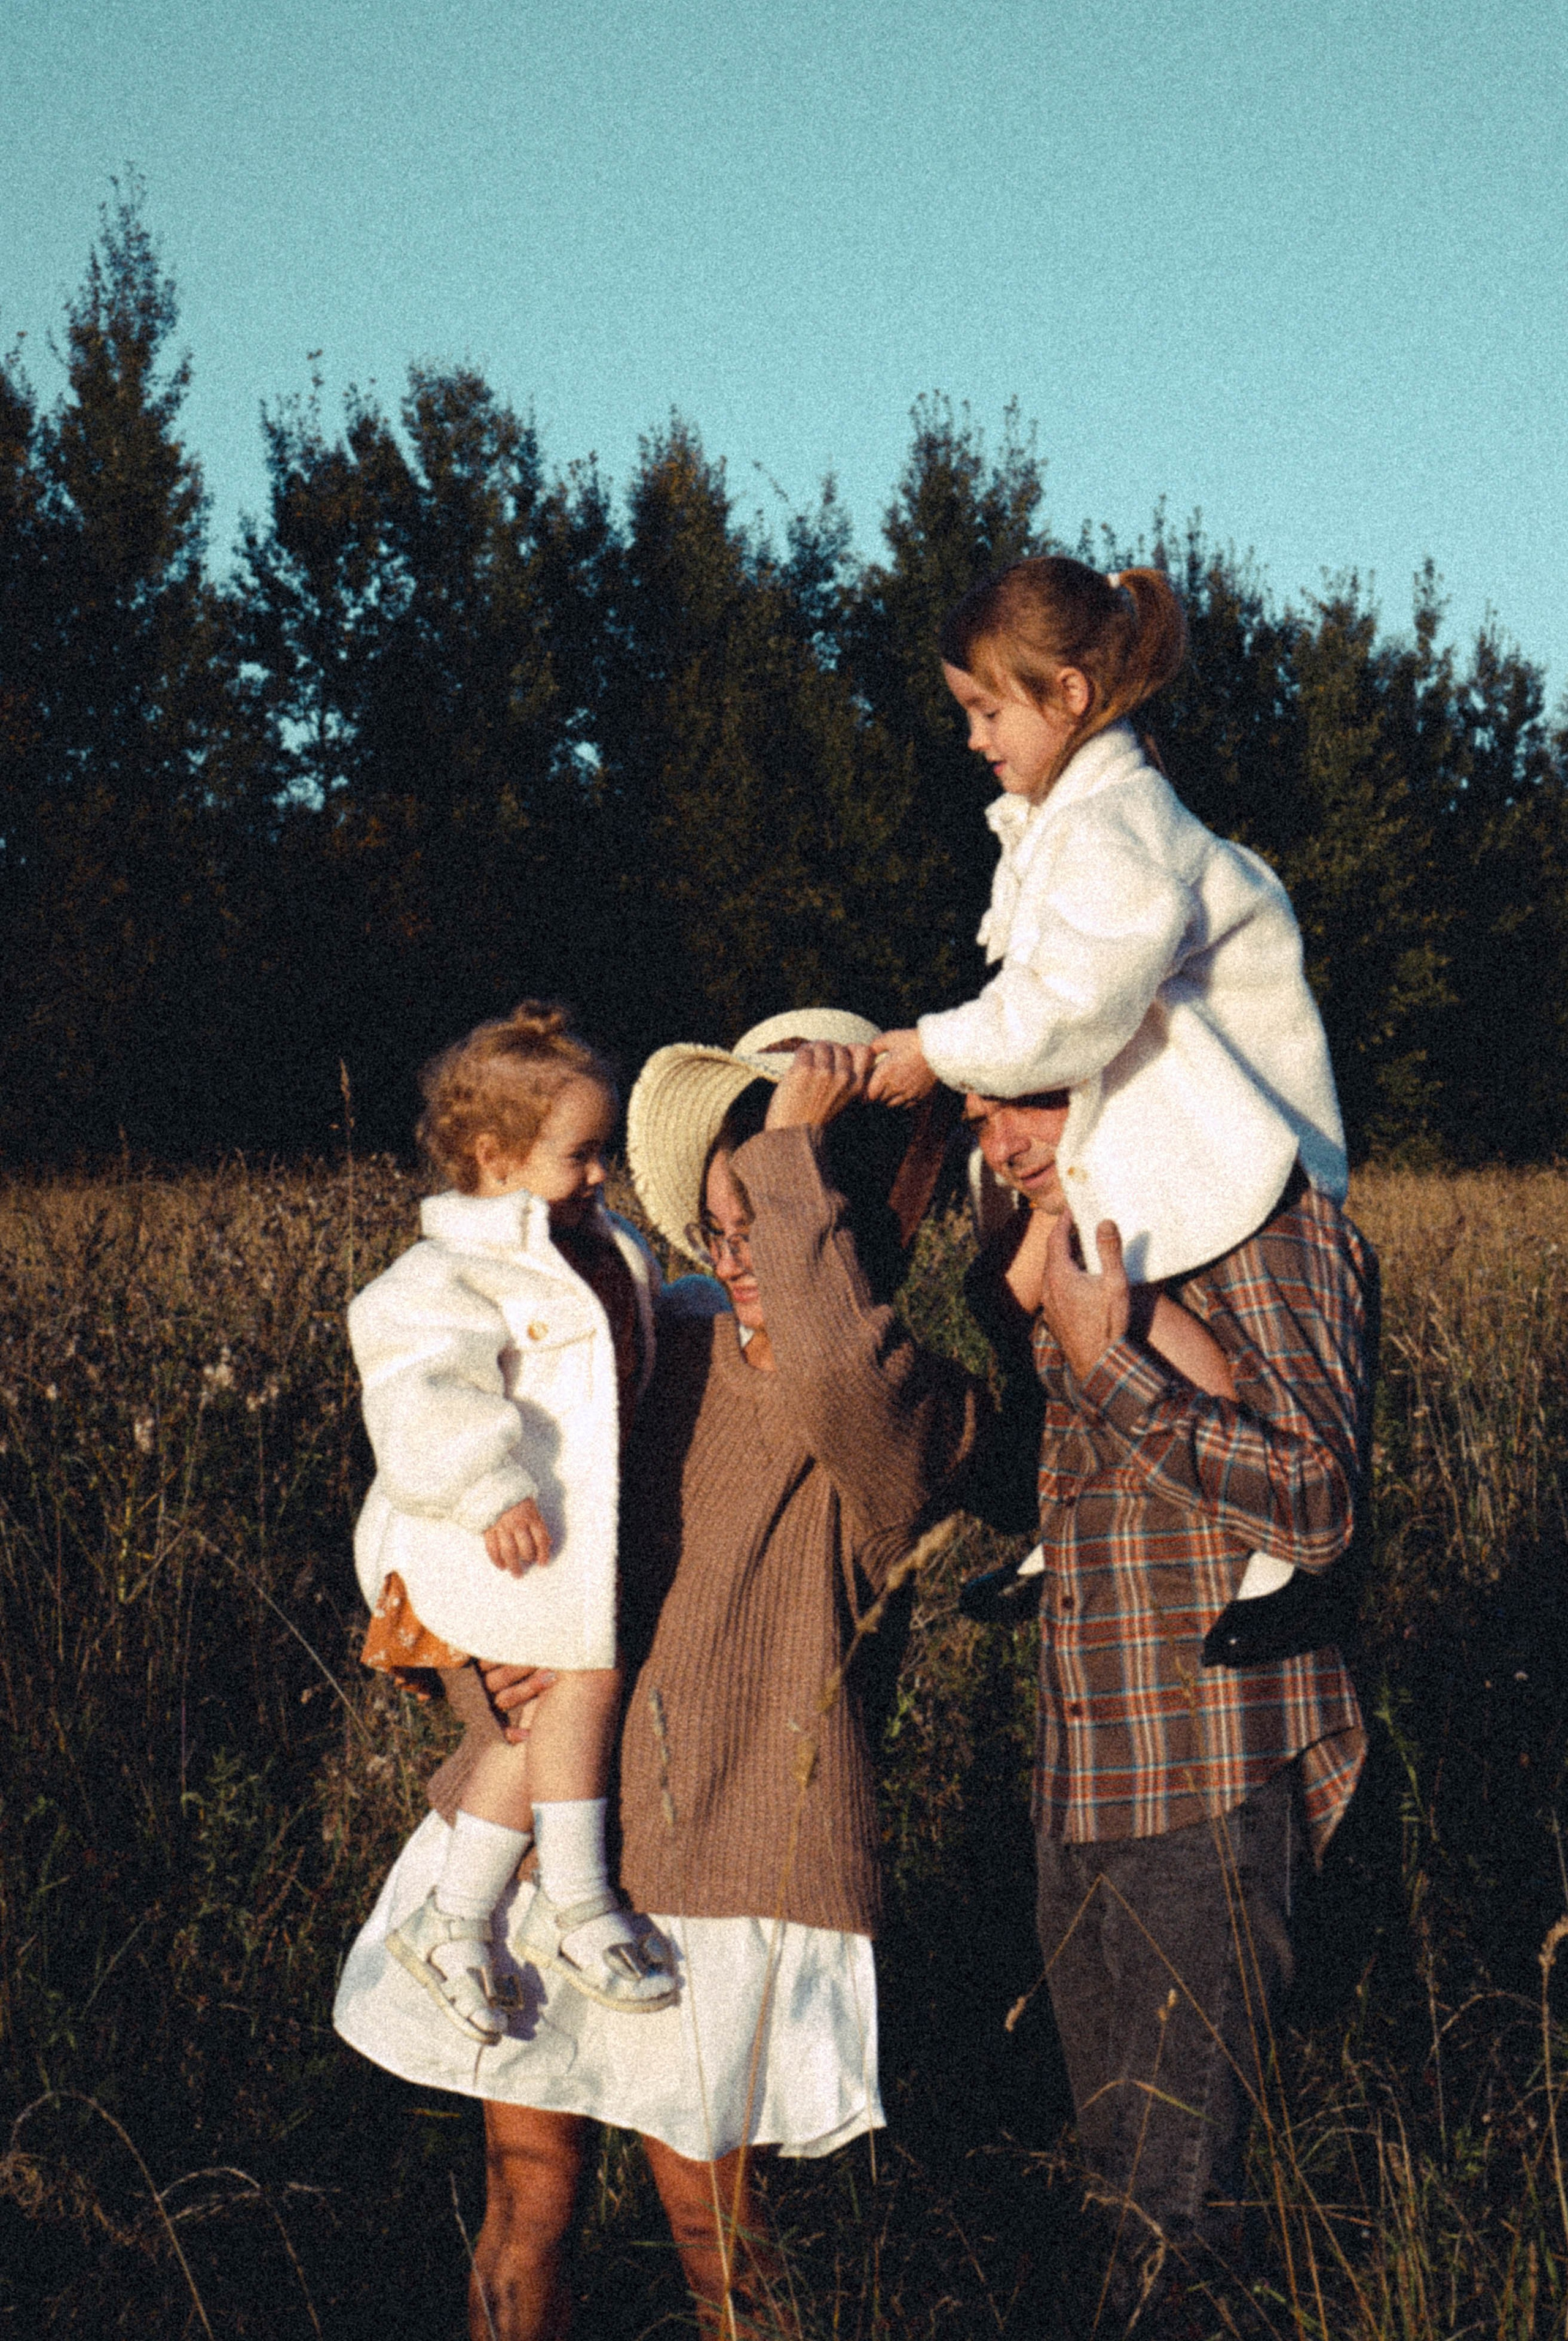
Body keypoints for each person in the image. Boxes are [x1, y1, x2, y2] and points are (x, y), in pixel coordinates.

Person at [334, 1014, 980, 2340]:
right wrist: (478, 1668)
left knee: (717, 2235)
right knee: (529, 2192)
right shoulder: (644, 1337)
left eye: (787, 1215)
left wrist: (803, 1149)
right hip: (548, 1829)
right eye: (722, 1216)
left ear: (853, 1226)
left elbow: (844, 1370)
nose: (740, 1250)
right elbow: (453, 1487)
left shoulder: (915, 1409)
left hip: (732, 1863)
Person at [869, 555, 1349, 1630]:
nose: (976, 737)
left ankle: (1287, 1557)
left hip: (1228, 1135)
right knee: (1035, 1294)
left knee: (1147, 1322)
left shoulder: (1115, 823)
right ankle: (1062, 1512)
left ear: (1070, 696)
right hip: (1150, 1126)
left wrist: (938, 1051)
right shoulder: (1066, 822)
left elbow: (1077, 1001)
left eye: (989, 710)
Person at [962, 1082, 1371, 2332]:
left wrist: (1110, 1367)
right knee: (1120, 2195)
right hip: (1086, 1771)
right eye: (980, 1117)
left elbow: (1317, 1506)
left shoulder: (1259, 1221)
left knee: (1171, 2223)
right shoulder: (1081, 1227)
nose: (1002, 1145)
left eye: (1027, 1105)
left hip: (1203, 1777)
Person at [347, 1003, 674, 2045]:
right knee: (582, 1674)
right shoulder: (443, 1277)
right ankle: (576, 1902)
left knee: (541, 1714)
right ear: (494, 1157)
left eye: (603, 1153)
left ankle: (453, 1919)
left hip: (550, 1537)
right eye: (579, 1156)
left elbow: (639, 1326)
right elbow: (419, 1393)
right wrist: (491, 1484)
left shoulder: (603, 1245)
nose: (599, 1176)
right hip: (472, 1528)